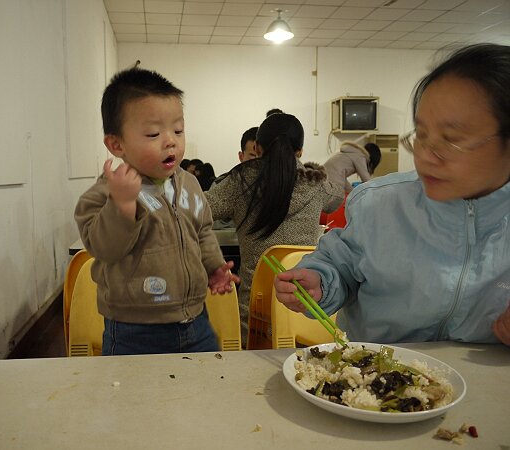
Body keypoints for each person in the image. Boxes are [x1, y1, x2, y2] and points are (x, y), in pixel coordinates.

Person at [274, 43, 510, 346]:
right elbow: (340, 263)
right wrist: (321, 281)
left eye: (451, 140)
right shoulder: (380, 204)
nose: (425, 155)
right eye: (421, 135)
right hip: (377, 375)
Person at [74, 67, 238, 356]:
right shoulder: (108, 192)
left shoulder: (189, 183)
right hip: (133, 329)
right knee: (137, 398)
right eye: (153, 133)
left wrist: (213, 267)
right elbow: (104, 248)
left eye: (178, 130)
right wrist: (122, 206)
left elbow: (202, 230)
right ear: (116, 144)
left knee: (203, 389)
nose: (170, 140)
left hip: (195, 320)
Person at [206, 113, 344, 346]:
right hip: (308, 313)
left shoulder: (239, 181)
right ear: (300, 151)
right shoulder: (316, 183)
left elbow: (198, 209)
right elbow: (337, 198)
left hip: (255, 318)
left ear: (258, 148)